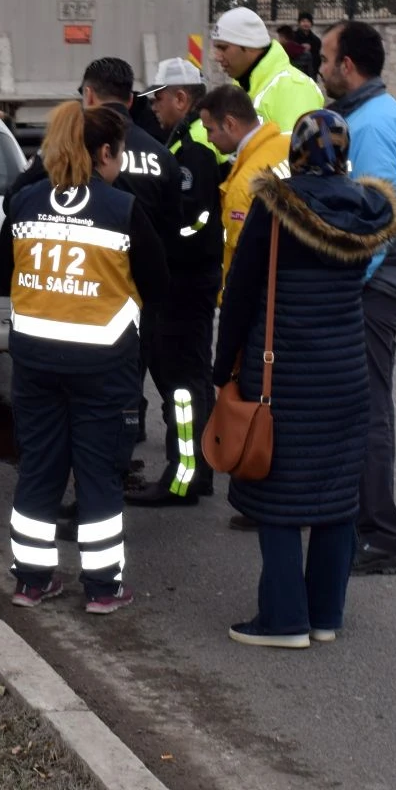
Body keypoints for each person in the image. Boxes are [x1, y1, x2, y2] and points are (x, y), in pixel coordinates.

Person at [214, 111, 396, 647]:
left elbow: (241, 292)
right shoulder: (367, 212)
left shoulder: (276, 207)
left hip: (283, 376)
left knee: (277, 495)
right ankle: (324, 615)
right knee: (336, 499)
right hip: (345, 375)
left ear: (295, 154)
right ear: (344, 155)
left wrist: (222, 368)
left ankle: (283, 620)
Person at [0, 103, 169, 614]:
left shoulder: (24, 201)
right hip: (104, 369)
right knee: (99, 476)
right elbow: (158, 284)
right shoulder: (123, 208)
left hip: (34, 364)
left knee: (38, 469)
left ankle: (31, 582)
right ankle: (102, 589)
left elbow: (6, 273)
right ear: (105, 152)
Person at [6, 57, 182, 471]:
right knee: (119, 404)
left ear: (88, 95)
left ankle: (80, 474)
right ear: (132, 99)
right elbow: (172, 235)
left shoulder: (56, 161)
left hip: (62, 314)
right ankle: (117, 461)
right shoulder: (161, 155)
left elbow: (14, 208)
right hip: (131, 313)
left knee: (55, 432)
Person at [320, 21, 396, 577]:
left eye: (325, 58)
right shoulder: (367, 114)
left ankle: (381, 535)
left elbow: (379, 220)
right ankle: (353, 518)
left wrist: (347, 285)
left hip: (376, 285)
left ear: (348, 66)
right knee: (356, 403)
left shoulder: (374, 123)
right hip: (376, 280)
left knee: (367, 407)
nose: (319, 67)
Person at [127, 58, 221, 506]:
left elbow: (196, 220)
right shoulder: (187, 139)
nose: (154, 107)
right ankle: (196, 470)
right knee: (191, 380)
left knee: (182, 385)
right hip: (191, 279)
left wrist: (158, 241)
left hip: (185, 282)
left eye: (159, 98)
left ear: (181, 98)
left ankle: (183, 478)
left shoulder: (195, 146)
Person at [198, 84, 292, 289]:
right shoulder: (291, 146)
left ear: (230, 124)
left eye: (210, 130)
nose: (208, 139)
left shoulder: (243, 185)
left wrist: (226, 301)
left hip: (262, 296)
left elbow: (242, 262)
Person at [211, 6, 324, 132]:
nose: (217, 57)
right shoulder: (241, 85)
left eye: (223, 48)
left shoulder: (294, 88)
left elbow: (294, 144)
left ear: (249, 46)